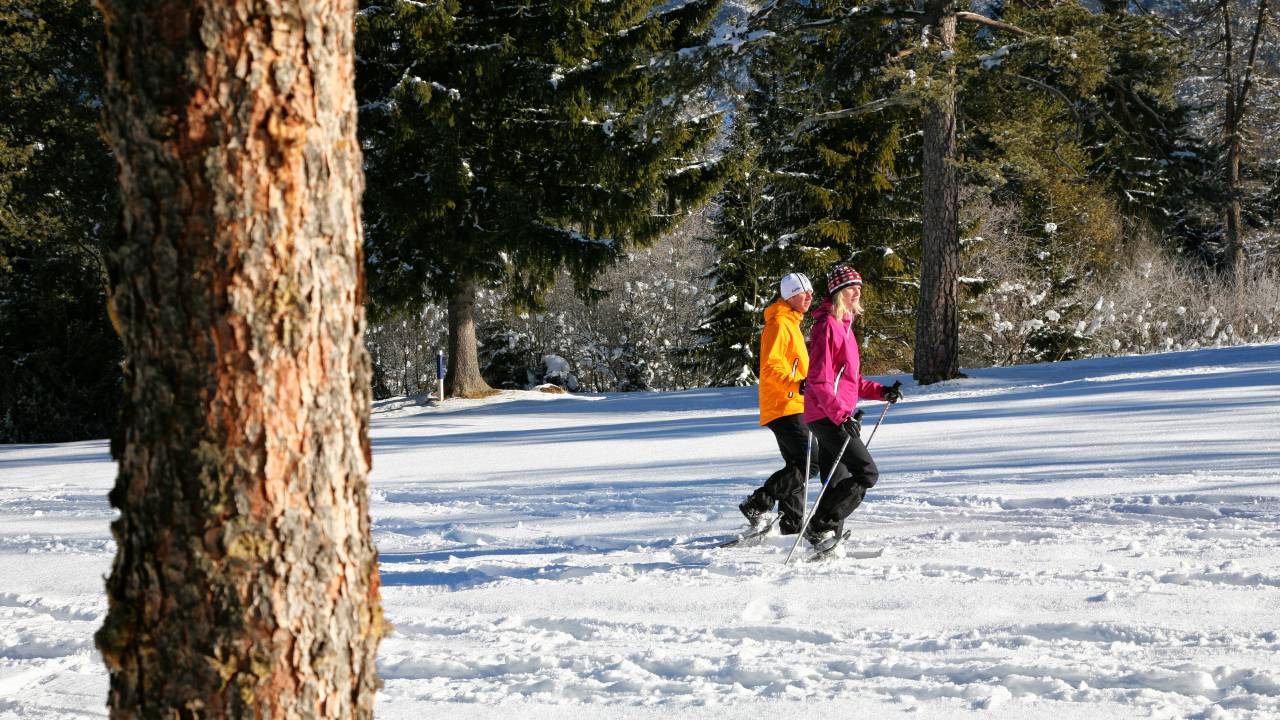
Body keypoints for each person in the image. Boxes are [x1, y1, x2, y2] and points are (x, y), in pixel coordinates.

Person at [800, 264, 902, 547]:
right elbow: (818, 380)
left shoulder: (845, 328)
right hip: (827, 415)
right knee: (867, 472)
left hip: (833, 414)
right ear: (837, 292)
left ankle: (826, 537)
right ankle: (820, 526)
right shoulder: (826, 327)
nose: (857, 291)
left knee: (837, 479)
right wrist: (841, 415)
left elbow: (852, 381)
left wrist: (883, 392)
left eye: (859, 287)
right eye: (850, 287)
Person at [738, 272, 817, 535]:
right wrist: (796, 385)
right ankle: (757, 503)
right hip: (784, 404)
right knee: (811, 463)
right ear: (788, 296)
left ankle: (792, 524)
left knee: (798, 465)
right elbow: (771, 367)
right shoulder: (779, 324)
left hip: (793, 403)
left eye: (810, 292)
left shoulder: (791, 324)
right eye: (802, 292)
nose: (809, 297)